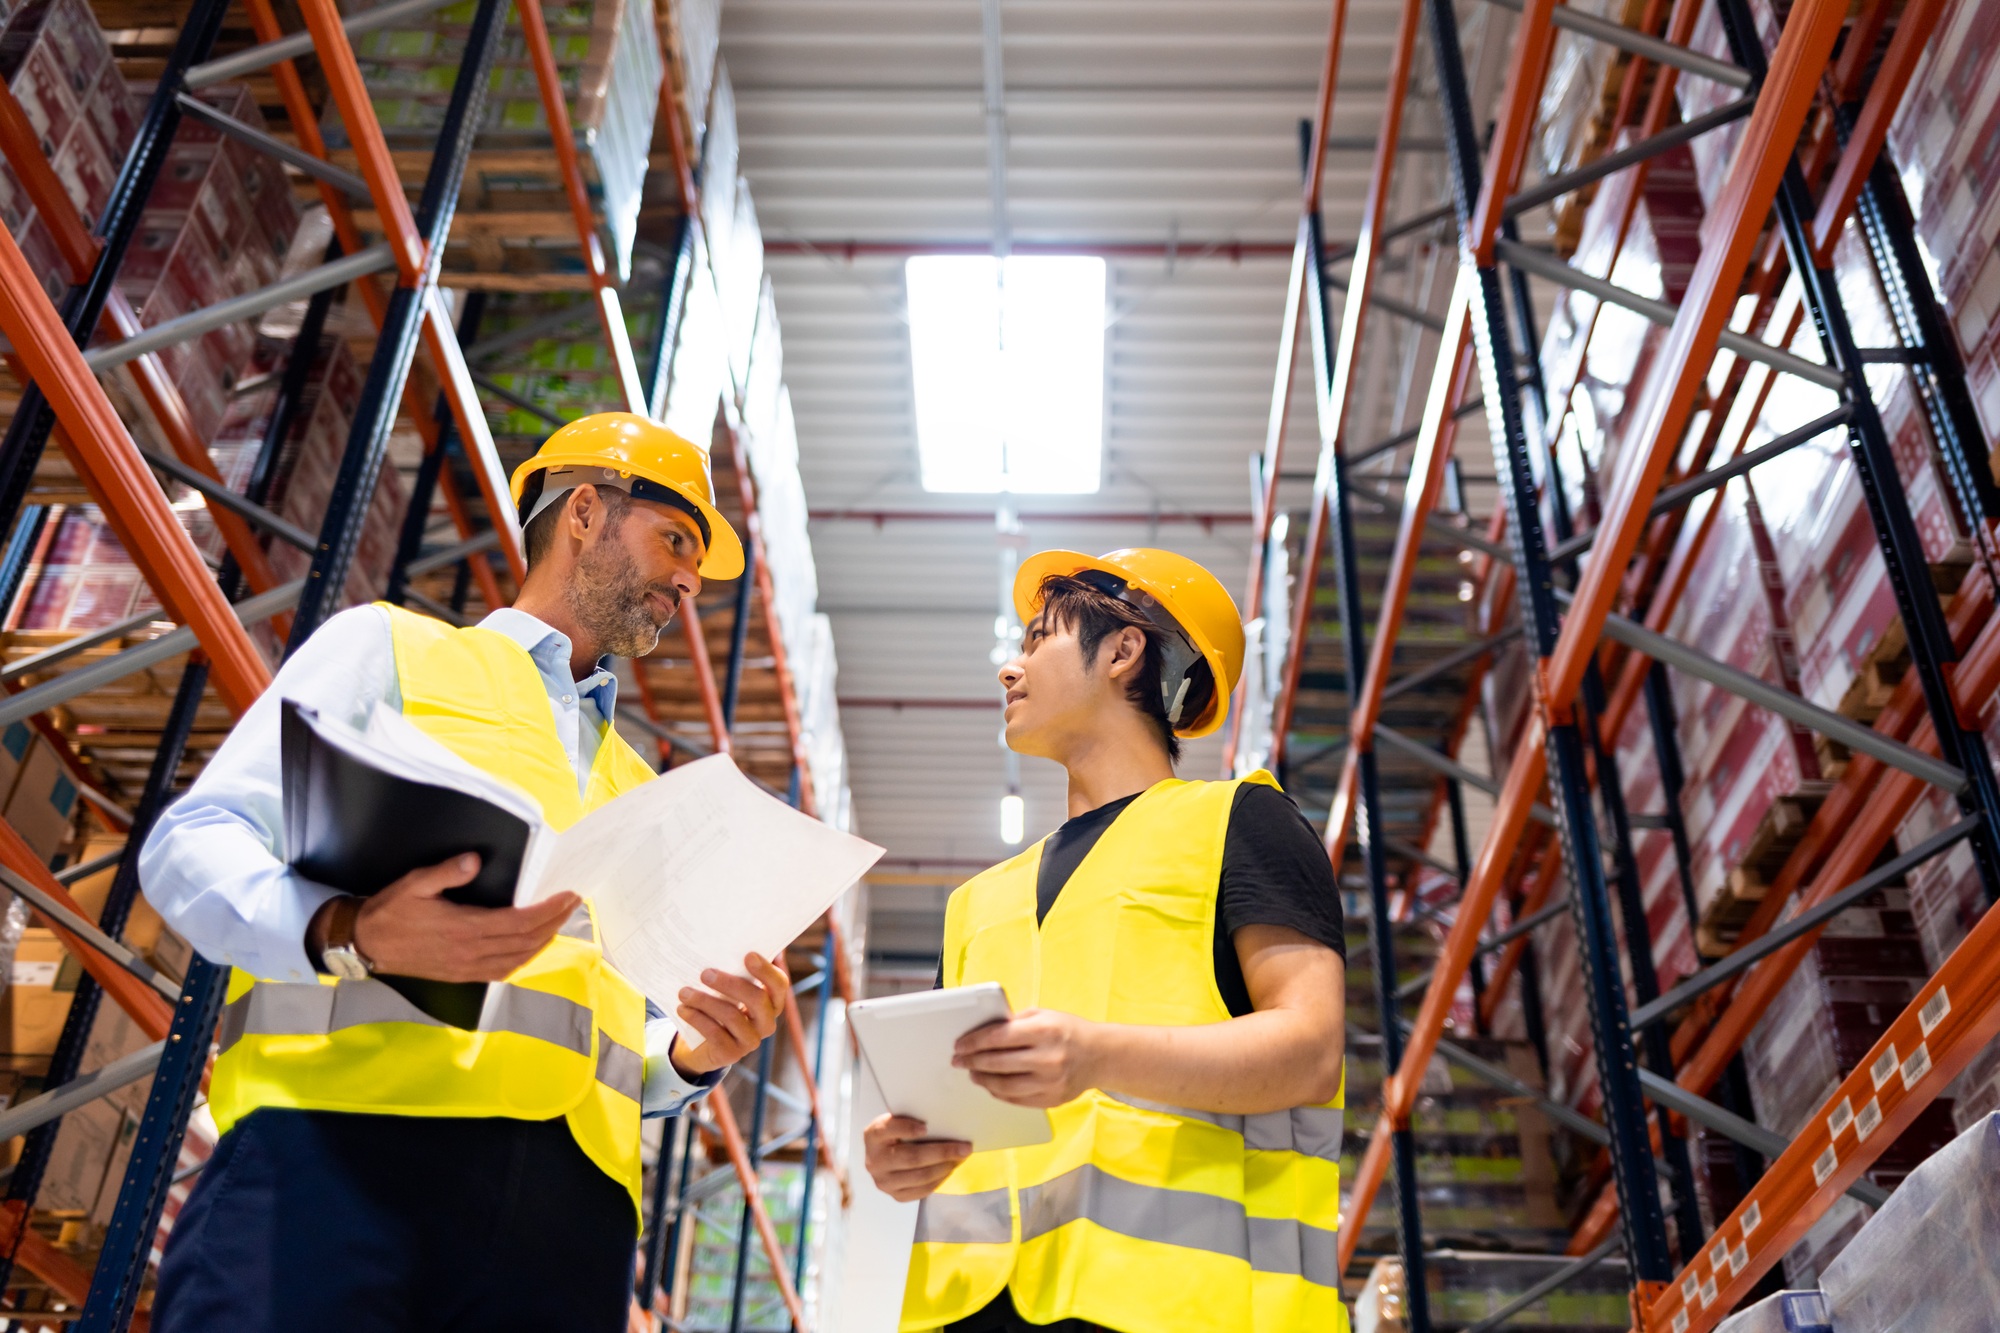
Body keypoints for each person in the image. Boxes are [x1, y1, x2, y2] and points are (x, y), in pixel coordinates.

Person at [140, 413, 788, 1333]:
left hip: (566, 1232)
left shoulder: (645, 791)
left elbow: (598, 1034)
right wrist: (346, 933)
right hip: (340, 1156)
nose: (688, 578)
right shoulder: (393, 651)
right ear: (586, 514)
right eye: (675, 539)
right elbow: (192, 845)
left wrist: (690, 1056)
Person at [864, 548, 1351, 1333]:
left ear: (1124, 650)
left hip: (1185, 1309)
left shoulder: (1237, 821)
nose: (1009, 670)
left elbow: (1310, 1048)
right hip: (973, 1311)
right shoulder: (977, 904)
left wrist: (1097, 1056)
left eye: (1037, 639)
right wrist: (904, 1154)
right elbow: (957, 1117)